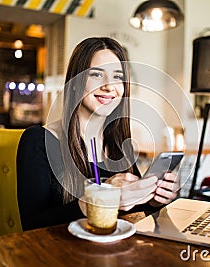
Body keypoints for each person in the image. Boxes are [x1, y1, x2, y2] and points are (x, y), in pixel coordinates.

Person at [17, 37, 180, 231]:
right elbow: (32, 224)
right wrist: (98, 199)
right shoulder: (38, 140)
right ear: (76, 82)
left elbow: (131, 210)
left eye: (118, 77)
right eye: (96, 74)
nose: (109, 87)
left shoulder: (120, 144)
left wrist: (155, 200)